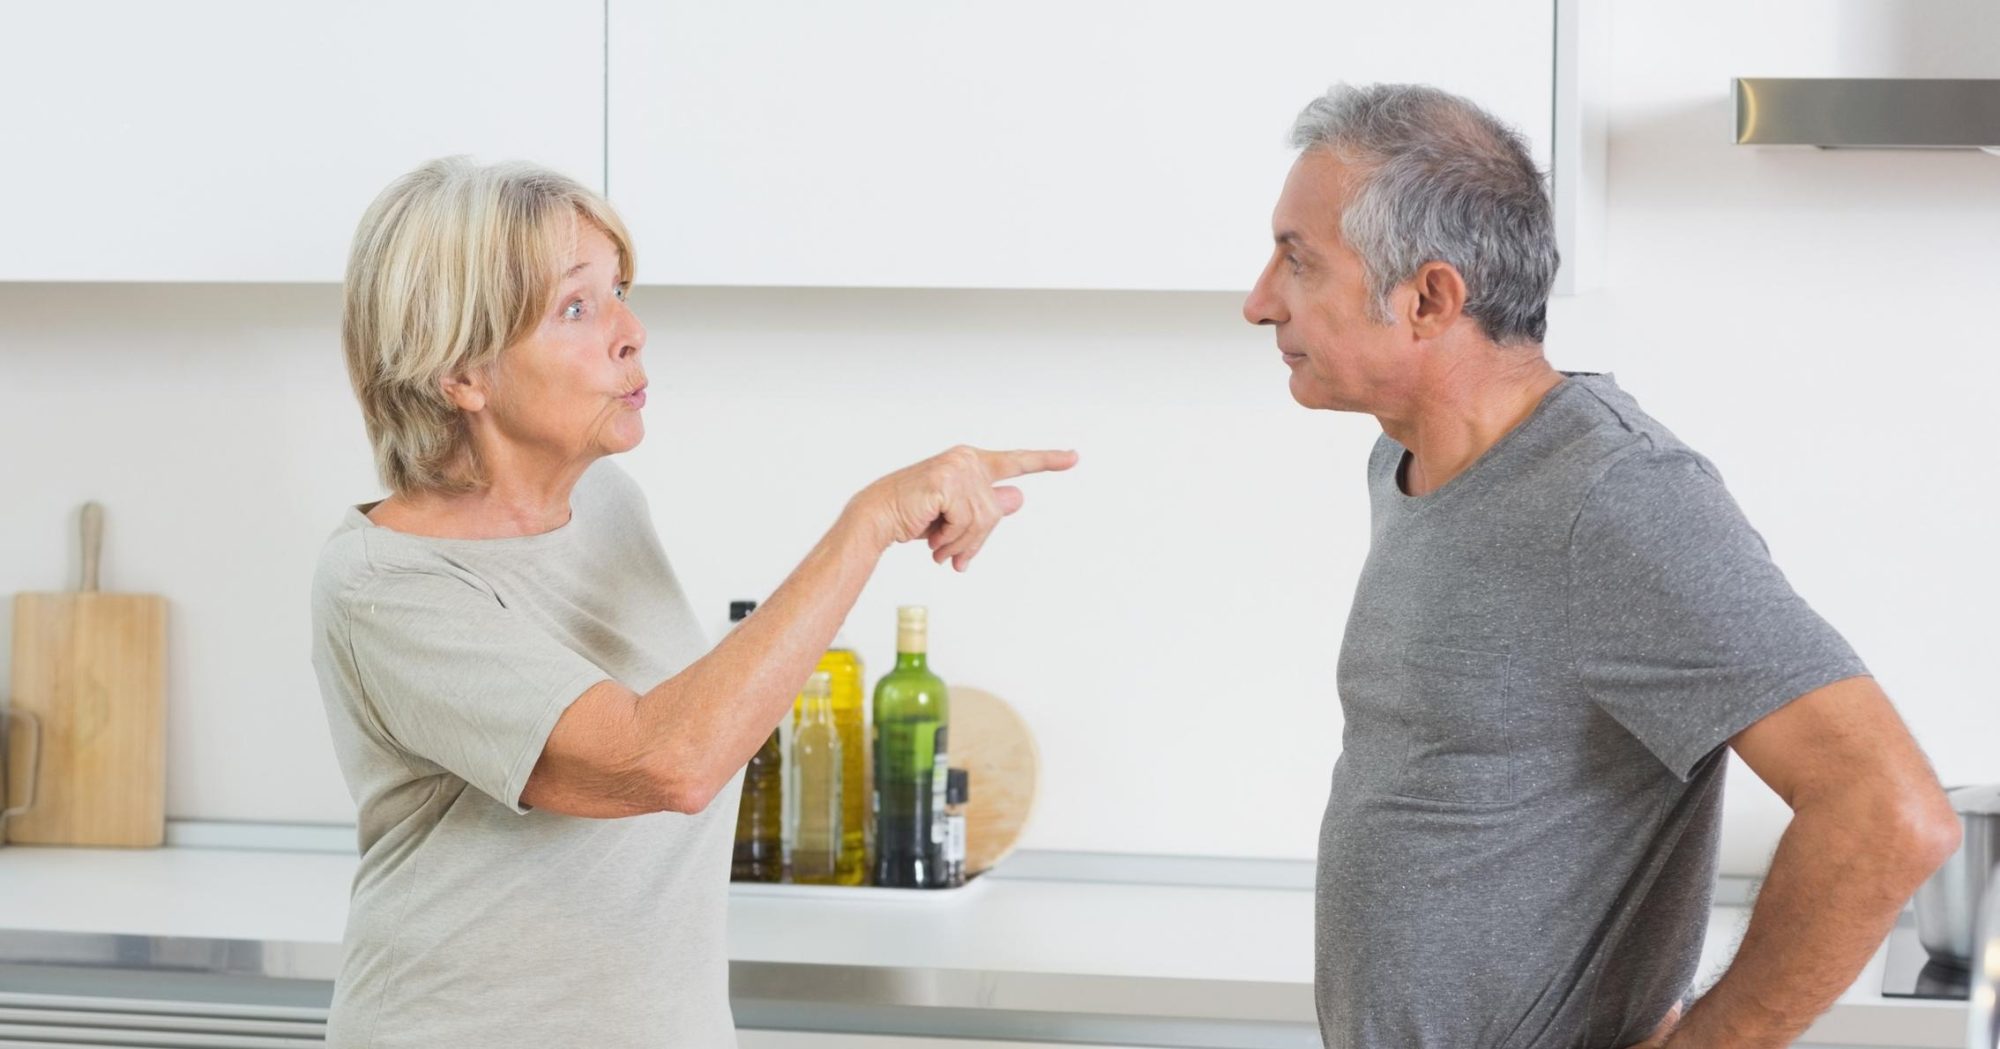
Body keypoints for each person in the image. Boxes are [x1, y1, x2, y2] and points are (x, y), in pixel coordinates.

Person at [1241, 84, 1960, 1049]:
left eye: (1298, 260)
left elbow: (1890, 814)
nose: (1259, 300)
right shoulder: (1407, 463)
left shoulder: (1614, 497)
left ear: (1430, 297)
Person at [310, 157, 1075, 1047]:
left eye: (619, 290)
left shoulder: (605, 503)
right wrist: (868, 523)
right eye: (577, 306)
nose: (631, 330)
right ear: (461, 375)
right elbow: (665, 760)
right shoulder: (387, 586)